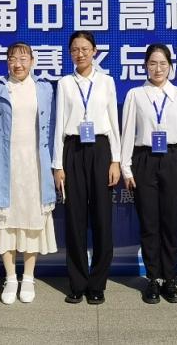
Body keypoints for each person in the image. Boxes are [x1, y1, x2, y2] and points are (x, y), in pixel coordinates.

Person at [0, 42, 58, 305]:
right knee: (7, 223)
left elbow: (52, 130)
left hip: (34, 165)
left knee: (32, 221)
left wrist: (55, 165)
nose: (18, 64)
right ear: (7, 62)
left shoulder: (44, 89)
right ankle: (11, 277)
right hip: (4, 165)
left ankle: (28, 277)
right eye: (13, 59)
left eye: (23, 59)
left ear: (33, 61)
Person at [121, 43, 177, 305]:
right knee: (150, 223)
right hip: (144, 160)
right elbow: (127, 133)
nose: (158, 68)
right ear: (145, 66)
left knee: (171, 223)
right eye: (152, 63)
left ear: (170, 66)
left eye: (163, 63)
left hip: (174, 159)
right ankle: (153, 279)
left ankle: (170, 280)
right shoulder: (135, 94)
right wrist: (126, 167)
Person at [52, 30, 121, 305]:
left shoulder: (106, 82)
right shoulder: (65, 83)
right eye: (74, 49)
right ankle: (78, 283)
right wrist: (58, 165)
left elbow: (113, 122)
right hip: (73, 149)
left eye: (84, 49)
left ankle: (97, 284)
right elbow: (59, 125)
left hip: (101, 150)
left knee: (103, 219)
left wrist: (115, 160)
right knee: (75, 219)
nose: (79, 54)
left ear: (94, 51)